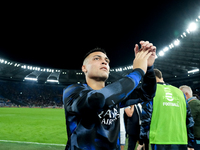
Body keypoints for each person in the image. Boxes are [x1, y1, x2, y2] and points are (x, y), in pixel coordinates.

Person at [63, 41, 157, 150]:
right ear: (84, 68)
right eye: (97, 59)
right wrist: (138, 71)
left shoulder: (115, 96)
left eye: (106, 60)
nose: (104, 62)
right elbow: (97, 99)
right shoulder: (73, 91)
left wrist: (149, 68)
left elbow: (147, 93)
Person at [139, 69, 195, 150]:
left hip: (160, 140)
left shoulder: (151, 92)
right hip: (181, 139)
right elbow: (189, 121)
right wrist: (191, 143)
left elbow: (146, 119)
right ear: (160, 77)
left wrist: (142, 141)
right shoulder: (179, 92)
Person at [179, 85, 200, 150]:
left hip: (196, 138)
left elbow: (188, 121)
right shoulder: (195, 103)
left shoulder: (193, 104)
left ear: (186, 94)